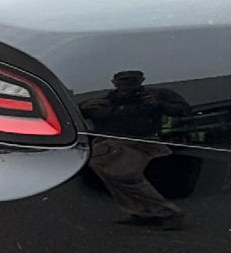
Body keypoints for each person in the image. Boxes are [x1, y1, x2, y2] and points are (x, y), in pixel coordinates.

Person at [79, 71, 190, 228]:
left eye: (132, 80)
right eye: (123, 80)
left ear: (141, 81)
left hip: (144, 141)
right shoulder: (104, 100)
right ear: (114, 82)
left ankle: (166, 212)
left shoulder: (156, 95)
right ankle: (142, 212)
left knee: (125, 176)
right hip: (110, 144)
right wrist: (81, 108)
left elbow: (183, 109)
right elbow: (72, 116)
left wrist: (159, 104)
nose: (127, 84)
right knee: (119, 177)